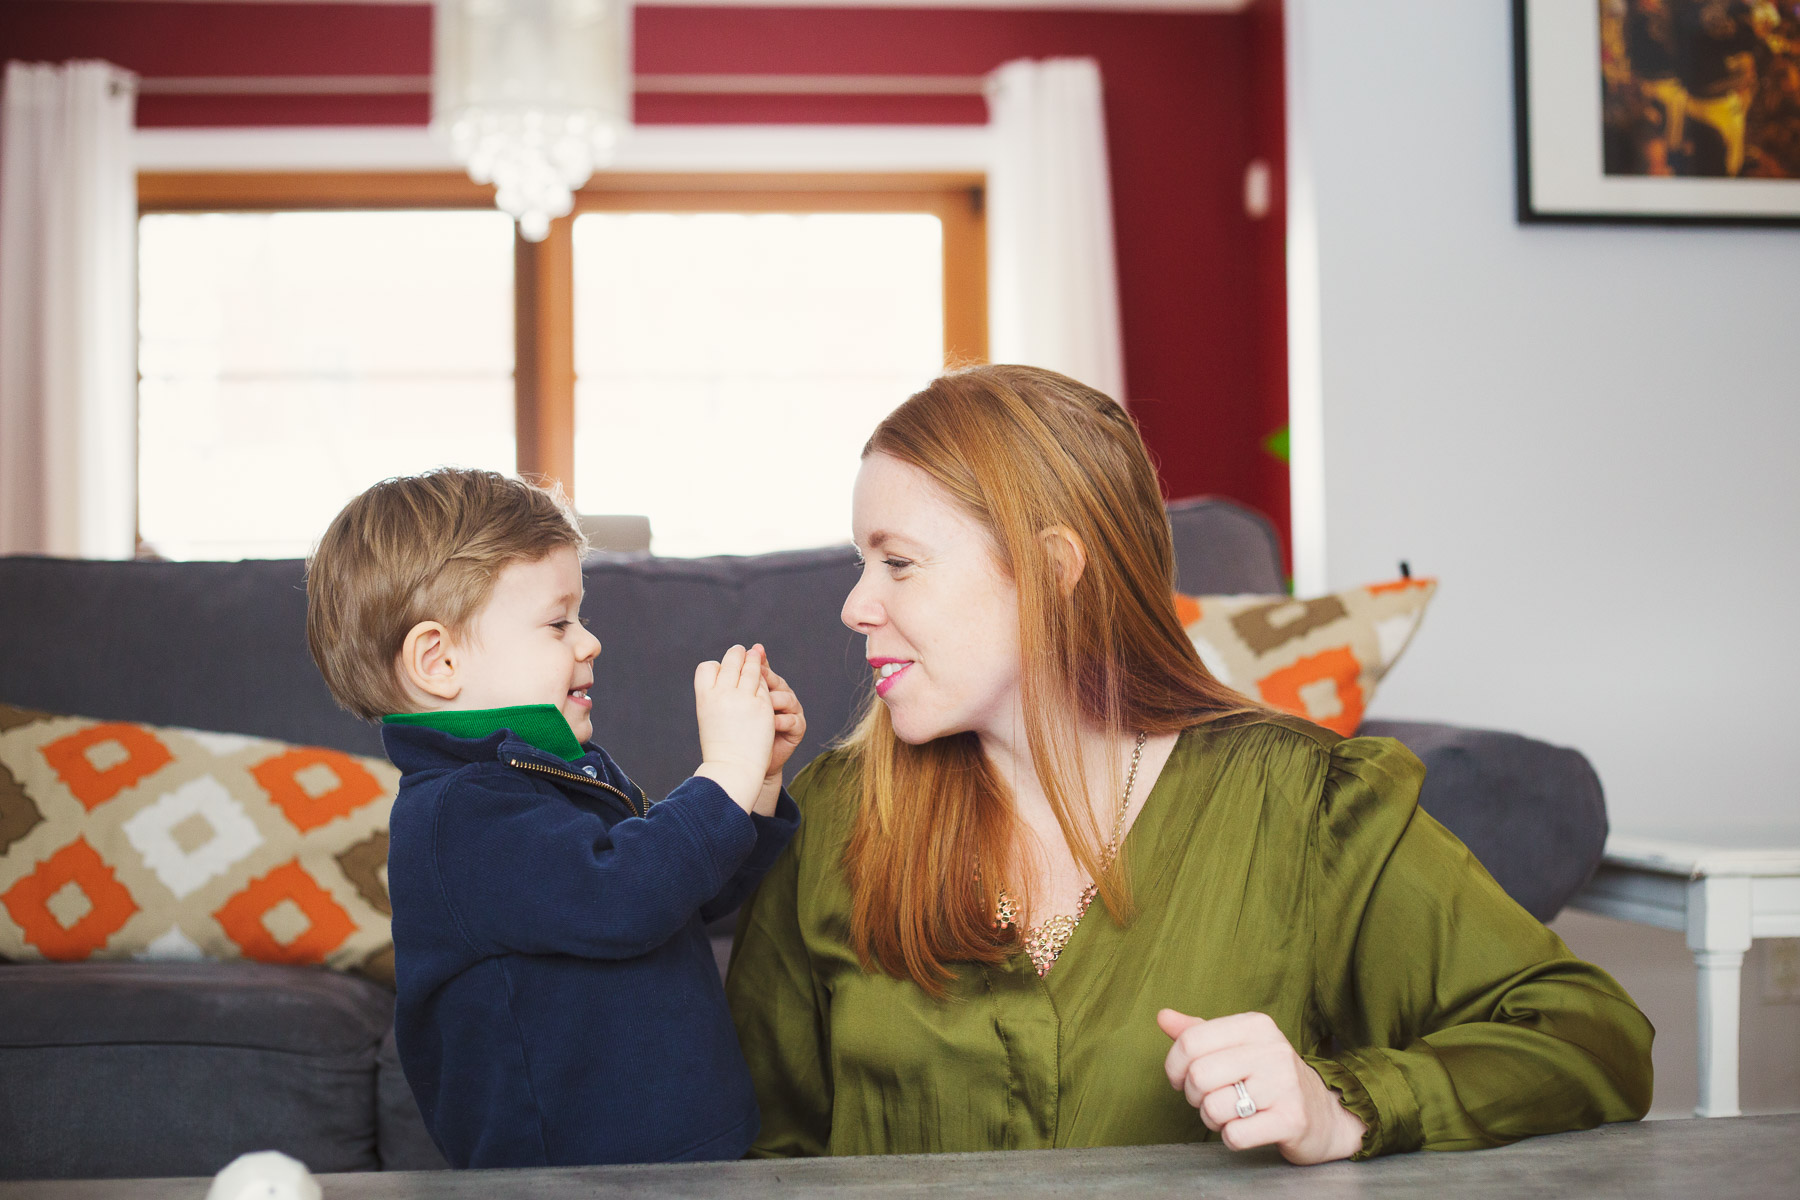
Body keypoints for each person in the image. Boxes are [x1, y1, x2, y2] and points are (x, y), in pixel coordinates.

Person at [726, 366, 1653, 1163]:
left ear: (1053, 569)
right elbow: (760, 1147)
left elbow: (1589, 1033)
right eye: (862, 562)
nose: (854, 606)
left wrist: (1345, 1107)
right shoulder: (835, 818)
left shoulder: (1307, 809)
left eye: (898, 563)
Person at [306, 468, 804, 1168]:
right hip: (567, 1167)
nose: (589, 641)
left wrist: (757, 782)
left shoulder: (559, 769)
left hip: (673, 1145)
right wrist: (720, 771)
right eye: (559, 621)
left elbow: (681, 893)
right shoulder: (459, 816)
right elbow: (624, 896)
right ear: (439, 659)